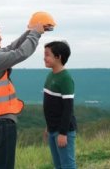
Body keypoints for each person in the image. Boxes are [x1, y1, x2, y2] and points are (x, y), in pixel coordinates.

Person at [0, 12, 55, 169]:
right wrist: (35, 35)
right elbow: (20, 53)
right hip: (1, 122)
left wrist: (30, 31)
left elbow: (12, 48)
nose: (1, 37)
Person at [43, 41, 77, 169]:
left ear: (58, 57)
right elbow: (51, 106)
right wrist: (48, 126)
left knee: (67, 165)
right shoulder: (50, 75)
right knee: (58, 165)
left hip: (63, 131)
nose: (44, 58)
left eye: (47, 55)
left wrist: (63, 133)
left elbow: (68, 108)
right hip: (52, 129)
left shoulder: (65, 78)